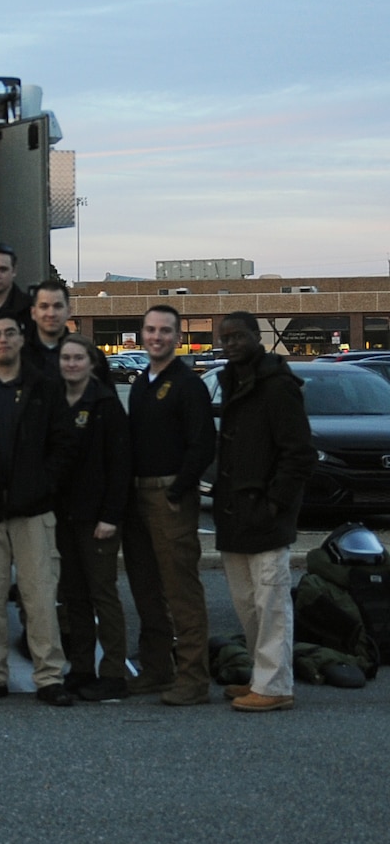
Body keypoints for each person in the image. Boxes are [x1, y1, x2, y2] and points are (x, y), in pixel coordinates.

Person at [0, 310, 79, 706]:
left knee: (40, 596)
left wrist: (43, 486)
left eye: (10, 333)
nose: (3, 339)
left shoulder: (45, 387)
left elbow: (63, 445)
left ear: (21, 339)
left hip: (34, 510)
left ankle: (49, 677)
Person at [212, 312, 315, 713]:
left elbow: (299, 453)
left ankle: (275, 686)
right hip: (234, 513)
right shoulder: (232, 379)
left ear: (258, 337)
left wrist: (276, 503)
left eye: (239, 335)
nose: (232, 342)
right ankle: (261, 675)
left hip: (266, 514)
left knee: (271, 602)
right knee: (247, 602)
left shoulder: (278, 385)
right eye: (226, 337)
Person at [122, 304, 216, 704]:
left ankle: (193, 678)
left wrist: (178, 490)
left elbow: (203, 445)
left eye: (164, 331)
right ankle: (158, 668)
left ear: (177, 338)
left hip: (170, 496)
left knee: (181, 590)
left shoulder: (187, 384)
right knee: (145, 587)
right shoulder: (142, 382)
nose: (156, 337)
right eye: (150, 330)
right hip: (136, 496)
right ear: (141, 335)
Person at [53, 332, 130, 701]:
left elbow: (119, 467)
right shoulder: (55, 404)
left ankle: (113, 672)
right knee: (74, 597)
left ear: (90, 362)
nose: (71, 364)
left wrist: (110, 516)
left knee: (103, 595)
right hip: (64, 517)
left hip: (98, 518)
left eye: (77, 358)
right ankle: (81, 668)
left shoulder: (106, 404)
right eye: (65, 358)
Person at [22, 279, 73, 377]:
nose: (51, 314)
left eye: (58, 306)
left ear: (69, 311)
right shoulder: (17, 355)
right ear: (33, 312)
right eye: (44, 307)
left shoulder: (88, 355)